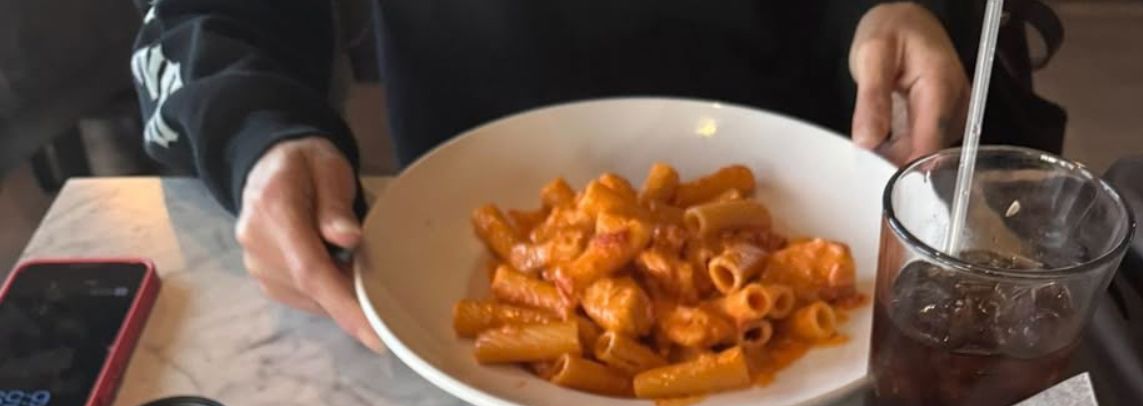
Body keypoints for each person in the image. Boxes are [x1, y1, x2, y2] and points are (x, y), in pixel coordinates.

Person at [131, 1, 975, 351]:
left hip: (821, 240)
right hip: (451, 293)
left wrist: (905, 8)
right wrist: (259, 134)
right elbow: (208, 18)